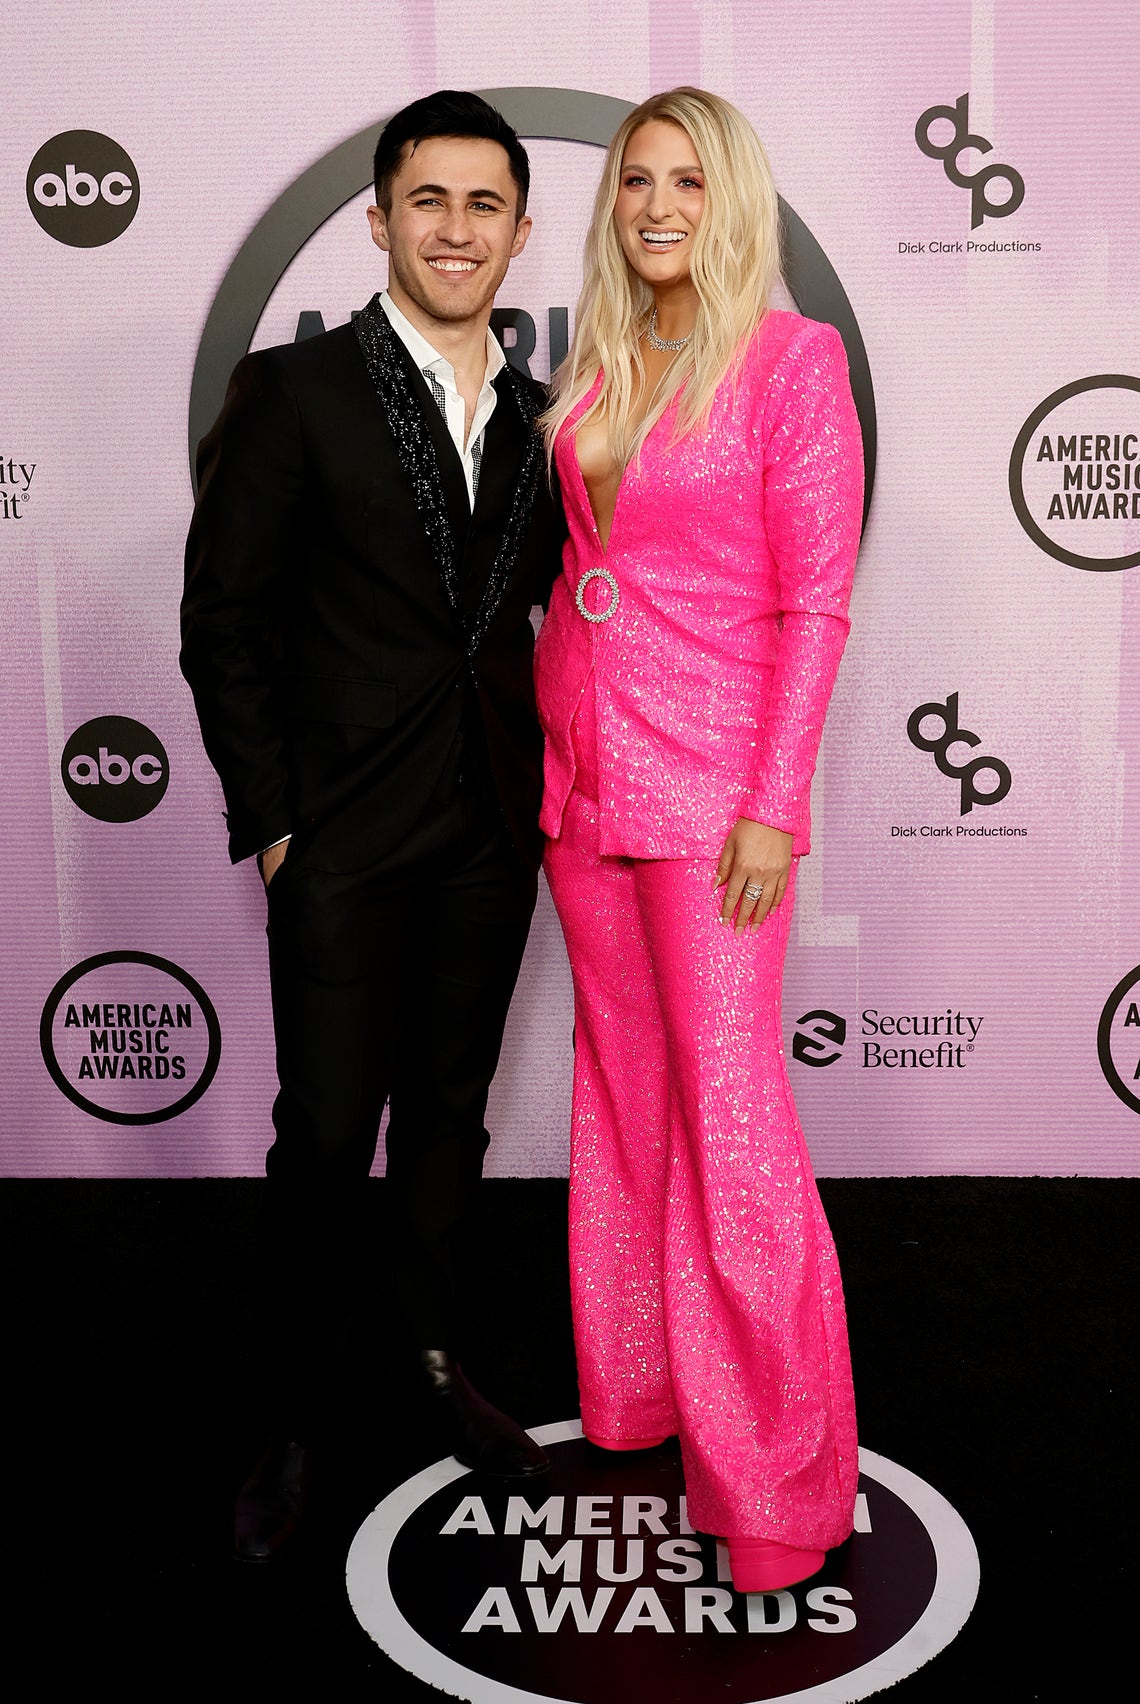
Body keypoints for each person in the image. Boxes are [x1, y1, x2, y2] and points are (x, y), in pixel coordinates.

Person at [181, 90, 563, 1562]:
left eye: (484, 206)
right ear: (382, 217)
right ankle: (289, 1411)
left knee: (451, 1125)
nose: (456, 228)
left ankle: (432, 1366)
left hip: (489, 830)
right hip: (337, 837)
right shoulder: (300, 394)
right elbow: (225, 626)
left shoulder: (540, 419)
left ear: (521, 234)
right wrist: (275, 825)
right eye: (429, 200)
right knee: (327, 1135)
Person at [535, 88, 862, 1594]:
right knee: (624, 1097)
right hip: (583, 786)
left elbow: (814, 606)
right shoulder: (603, 354)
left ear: (730, 196)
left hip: (718, 796)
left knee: (733, 1133)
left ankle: (780, 1488)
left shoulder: (792, 368)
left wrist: (776, 807)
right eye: (631, 181)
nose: (653, 205)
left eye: (683, 180)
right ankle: (644, 1396)